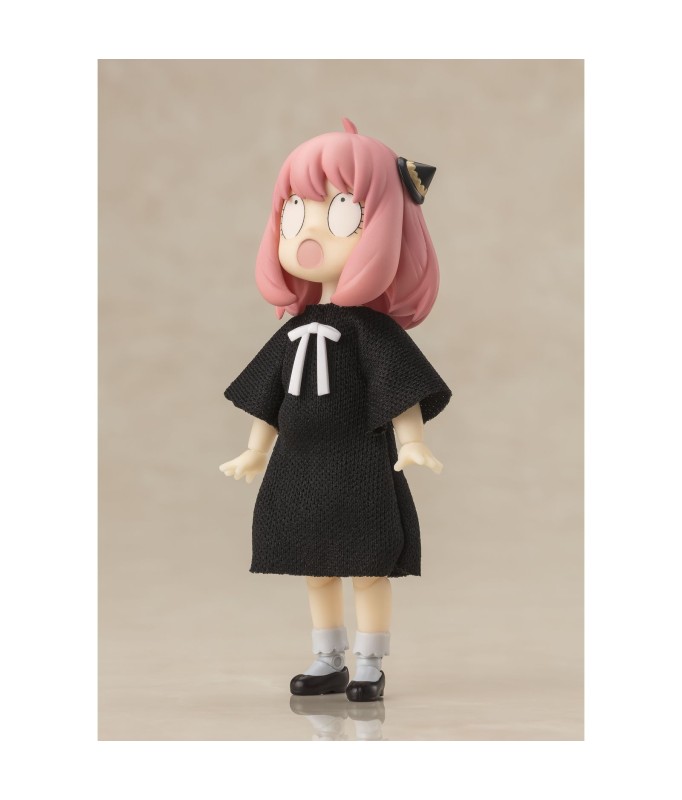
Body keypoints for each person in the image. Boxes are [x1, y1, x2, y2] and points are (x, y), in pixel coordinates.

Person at [220, 119, 451, 702]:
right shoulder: (293, 330)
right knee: (315, 566)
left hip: (360, 465)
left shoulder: (373, 333)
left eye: (343, 212)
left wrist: (411, 441)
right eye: (295, 212)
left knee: (369, 566)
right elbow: (268, 395)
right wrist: (254, 450)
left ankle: (370, 662)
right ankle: (328, 658)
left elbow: (400, 388)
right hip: (300, 466)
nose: (310, 232)